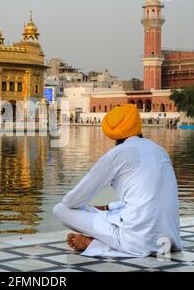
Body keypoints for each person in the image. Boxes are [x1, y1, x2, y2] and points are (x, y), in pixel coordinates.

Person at [53, 104, 182, 257]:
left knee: (60, 209)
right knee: (111, 210)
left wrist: (88, 209)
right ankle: (104, 234)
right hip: (169, 239)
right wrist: (108, 207)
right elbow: (149, 197)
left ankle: (95, 242)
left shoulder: (117, 154)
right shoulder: (159, 150)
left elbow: (71, 201)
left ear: (112, 134)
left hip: (137, 240)